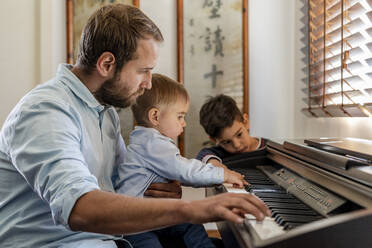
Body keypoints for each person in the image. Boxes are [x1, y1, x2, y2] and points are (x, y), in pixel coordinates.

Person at [0, 4, 270, 248]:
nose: (149, 83)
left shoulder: (105, 113)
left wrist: (153, 191)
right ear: (107, 64)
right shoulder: (46, 111)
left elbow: (117, 187)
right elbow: (80, 208)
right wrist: (192, 209)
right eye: (143, 71)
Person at [115, 74, 248, 247]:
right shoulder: (152, 143)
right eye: (179, 116)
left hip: (154, 215)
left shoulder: (149, 141)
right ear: (155, 116)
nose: (184, 123)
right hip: (135, 224)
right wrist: (224, 175)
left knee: (190, 223)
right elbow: (186, 171)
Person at [197, 94, 267, 167]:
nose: (237, 145)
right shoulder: (219, 154)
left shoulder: (271, 148)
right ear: (214, 140)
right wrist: (212, 162)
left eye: (239, 134)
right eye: (227, 142)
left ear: (246, 122)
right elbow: (203, 155)